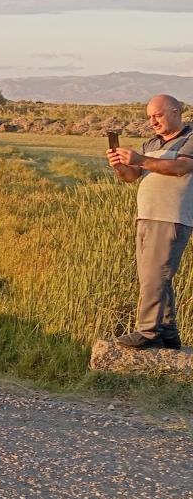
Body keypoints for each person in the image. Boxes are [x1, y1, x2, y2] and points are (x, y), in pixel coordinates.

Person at [108, 94, 193, 350]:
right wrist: (121, 167)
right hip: (146, 215)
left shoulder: (190, 139)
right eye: (149, 117)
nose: (152, 122)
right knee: (154, 276)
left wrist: (140, 160)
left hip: (172, 216)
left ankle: (146, 331)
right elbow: (132, 176)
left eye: (158, 115)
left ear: (176, 112)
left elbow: (180, 168)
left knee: (154, 277)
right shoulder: (150, 143)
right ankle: (168, 332)